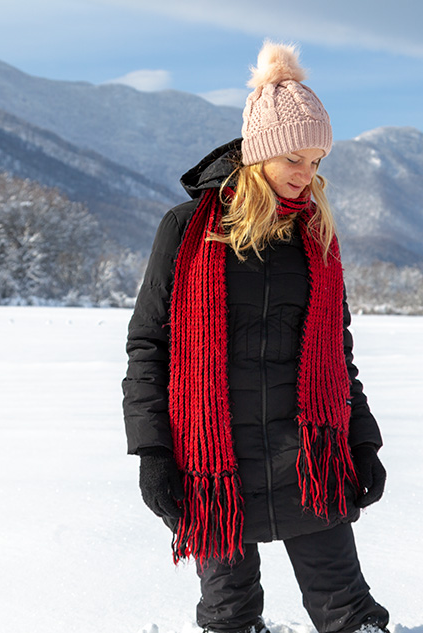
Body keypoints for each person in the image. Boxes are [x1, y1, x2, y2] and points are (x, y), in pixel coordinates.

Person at [123, 40, 389, 633]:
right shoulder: (186, 231)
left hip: (308, 458)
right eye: (296, 157)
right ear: (260, 152)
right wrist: (152, 453)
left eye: (317, 161)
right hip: (212, 463)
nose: (307, 174)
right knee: (229, 618)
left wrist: (363, 439)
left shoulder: (317, 239)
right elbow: (149, 349)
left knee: (350, 614)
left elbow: (337, 356)